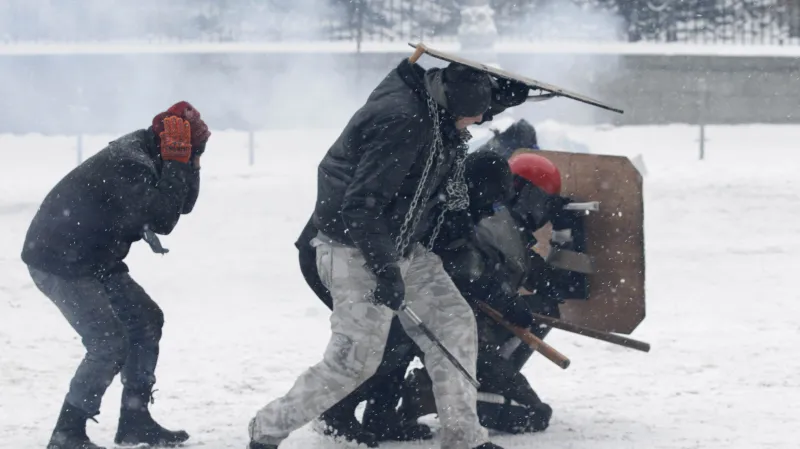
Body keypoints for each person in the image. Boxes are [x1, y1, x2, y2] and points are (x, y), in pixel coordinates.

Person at [248, 56, 505, 449]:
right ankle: (267, 429)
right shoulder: (403, 122)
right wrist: (387, 273)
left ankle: (463, 438)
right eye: (473, 116)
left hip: (400, 244)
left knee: (453, 322)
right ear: (453, 102)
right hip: (354, 249)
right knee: (354, 361)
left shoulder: (432, 101)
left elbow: (459, 117)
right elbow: (360, 205)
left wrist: (506, 97)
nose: (476, 123)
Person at [301, 151, 583, 441]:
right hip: (342, 251)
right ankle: (336, 412)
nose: (492, 208)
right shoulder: (451, 203)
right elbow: (460, 264)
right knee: (391, 337)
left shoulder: (482, 207)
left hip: (380, 260)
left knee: (401, 333)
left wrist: (566, 230)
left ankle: (381, 417)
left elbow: (535, 276)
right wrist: (505, 301)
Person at [21, 101, 210, 449]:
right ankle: (67, 433)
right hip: (60, 259)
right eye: (190, 148)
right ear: (164, 141)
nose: (193, 154)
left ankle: (135, 420)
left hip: (93, 256)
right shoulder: (130, 163)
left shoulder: (154, 154)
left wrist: (188, 162)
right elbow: (164, 220)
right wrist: (178, 162)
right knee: (107, 342)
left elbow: (183, 204)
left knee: (145, 320)